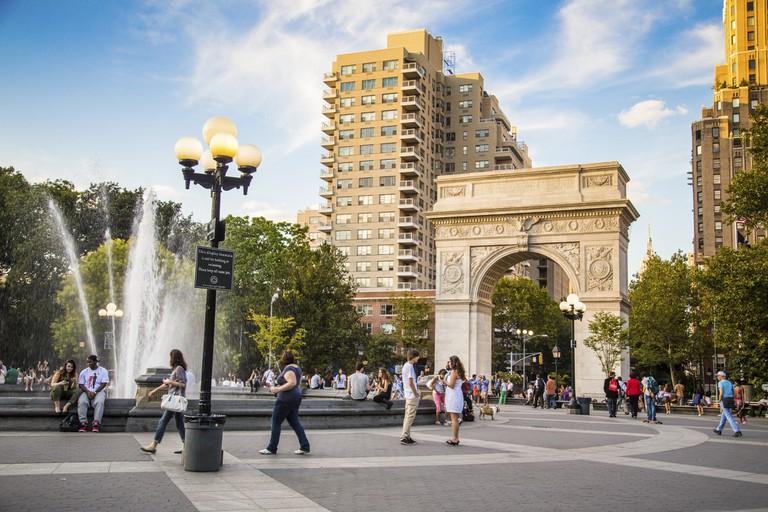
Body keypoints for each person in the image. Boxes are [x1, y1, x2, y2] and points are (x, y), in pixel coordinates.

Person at [260, 350, 311, 455]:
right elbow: (292, 383)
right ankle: (304, 446)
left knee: (276, 421)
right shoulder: (297, 368)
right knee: (294, 422)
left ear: (284, 359)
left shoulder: (289, 369)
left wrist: (277, 390)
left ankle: (272, 447)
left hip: (286, 399)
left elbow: (292, 383)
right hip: (295, 397)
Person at [141, 350, 188, 454]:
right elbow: (167, 385)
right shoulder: (176, 369)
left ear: (174, 358)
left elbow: (183, 384)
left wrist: (169, 381)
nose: (169, 359)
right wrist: (153, 391)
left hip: (175, 400)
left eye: (170, 357)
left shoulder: (179, 369)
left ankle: (154, 445)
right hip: (174, 401)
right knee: (180, 423)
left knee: (163, 421)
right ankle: (186, 445)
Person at [77, 355, 109, 432]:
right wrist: (88, 391)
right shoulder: (84, 372)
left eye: (90, 362)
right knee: (81, 402)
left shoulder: (103, 370)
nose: (88, 364)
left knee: (100, 402)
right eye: (87, 362)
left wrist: (95, 392)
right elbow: (81, 384)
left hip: (99, 391)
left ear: (95, 362)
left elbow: (104, 383)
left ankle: (96, 423)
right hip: (86, 391)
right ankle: (83, 422)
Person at [400, 349, 420, 445]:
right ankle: (404, 437)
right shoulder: (410, 366)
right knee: (410, 416)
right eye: (417, 356)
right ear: (414, 357)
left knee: (408, 416)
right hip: (411, 395)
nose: (418, 358)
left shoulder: (405, 366)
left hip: (407, 394)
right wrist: (416, 393)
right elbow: (411, 382)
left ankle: (407, 436)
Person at [445, 355, 466, 446]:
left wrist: (443, 381)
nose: (448, 363)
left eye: (449, 362)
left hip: (453, 396)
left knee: (454, 419)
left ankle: (455, 438)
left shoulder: (454, 372)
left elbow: (451, 385)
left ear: (453, 362)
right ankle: (456, 438)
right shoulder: (459, 371)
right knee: (455, 418)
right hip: (457, 395)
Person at [713, 371, 742, 438]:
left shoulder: (720, 383)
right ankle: (719, 429)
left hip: (724, 400)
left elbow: (721, 393)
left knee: (729, 416)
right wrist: (733, 399)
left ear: (722, 376)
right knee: (724, 415)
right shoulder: (729, 382)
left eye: (718, 375)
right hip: (730, 399)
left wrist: (719, 400)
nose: (717, 377)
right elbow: (734, 392)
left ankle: (737, 431)